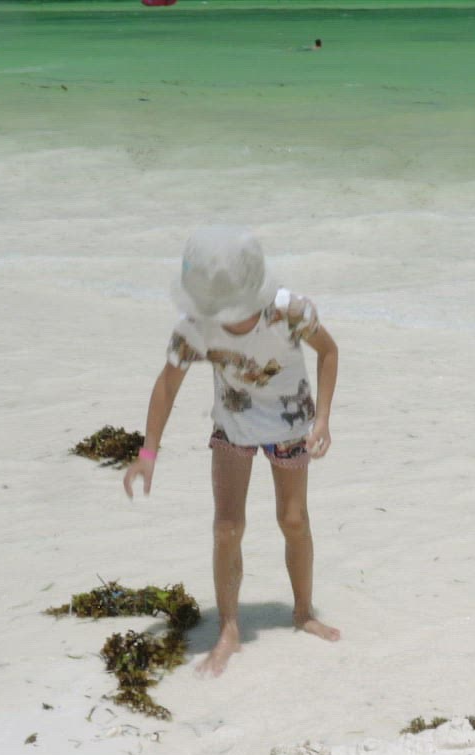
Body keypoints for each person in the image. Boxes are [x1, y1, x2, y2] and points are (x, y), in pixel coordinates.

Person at [123, 227, 341, 676]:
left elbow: (329, 352)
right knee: (227, 528)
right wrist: (148, 454)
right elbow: (167, 386)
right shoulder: (195, 328)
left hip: (290, 426)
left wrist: (322, 418)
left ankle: (303, 612)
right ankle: (229, 629)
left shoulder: (289, 312)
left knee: (293, 520)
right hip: (233, 426)